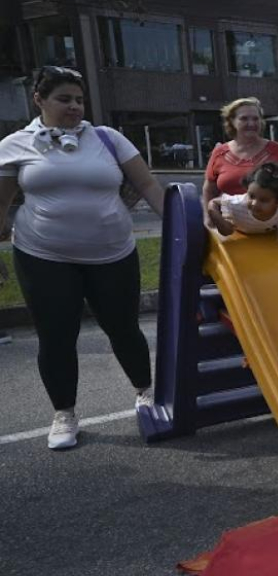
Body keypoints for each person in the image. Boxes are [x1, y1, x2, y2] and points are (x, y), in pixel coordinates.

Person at [0, 66, 165, 450]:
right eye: (64, 99)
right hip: (42, 255)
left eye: (79, 99)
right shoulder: (14, 145)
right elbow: (2, 203)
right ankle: (64, 414)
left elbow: (147, 185)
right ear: (39, 100)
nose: (74, 106)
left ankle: (146, 392)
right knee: (56, 336)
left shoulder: (107, 138)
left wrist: (182, 228)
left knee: (123, 328)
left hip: (112, 253)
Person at [203, 98, 278, 210]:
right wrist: (208, 219)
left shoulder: (275, 149)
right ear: (232, 121)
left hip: (268, 218)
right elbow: (209, 190)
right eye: (244, 119)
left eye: (255, 119)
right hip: (228, 219)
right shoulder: (219, 153)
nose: (251, 123)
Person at [206, 162, 278, 254]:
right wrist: (217, 217)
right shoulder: (238, 204)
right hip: (238, 230)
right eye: (251, 196)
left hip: (266, 237)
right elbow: (214, 202)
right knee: (226, 230)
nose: (254, 203)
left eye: (264, 200)